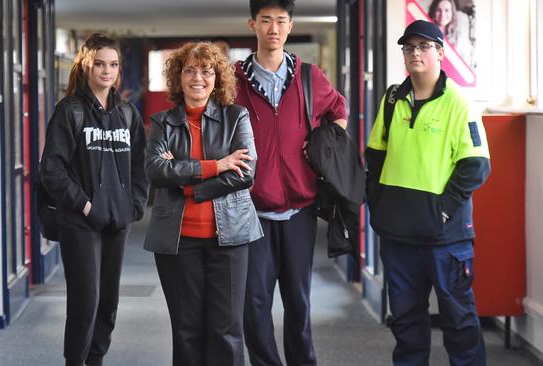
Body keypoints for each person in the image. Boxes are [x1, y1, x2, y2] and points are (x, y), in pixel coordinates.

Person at [365, 20, 490, 365]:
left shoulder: (459, 103)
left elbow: (476, 165)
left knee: (459, 321)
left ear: (440, 52)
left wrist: (444, 210)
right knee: (405, 323)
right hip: (398, 237)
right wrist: (380, 205)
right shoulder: (392, 99)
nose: (415, 53)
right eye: (409, 48)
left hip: (445, 239)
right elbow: (374, 158)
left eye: (424, 46)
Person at [234, 1, 348, 365]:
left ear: (290, 26)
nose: (273, 28)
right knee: (254, 303)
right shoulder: (233, 80)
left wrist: (321, 143)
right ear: (253, 24)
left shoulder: (310, 77)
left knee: (298, 301)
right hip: (252, 210)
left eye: (281, 21)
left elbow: (339, 113)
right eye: (265, 20)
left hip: (300, 208)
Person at [144, 41, 262, 366]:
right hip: (178, 241)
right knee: (186, 331)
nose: (198, 77)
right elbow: (156, 171)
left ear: (217, 77)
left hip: (231, 239)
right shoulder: (162, 123)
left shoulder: (236, 117)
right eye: (190, 70)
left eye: (206, 70)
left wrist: (188, 187)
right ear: (178, 77)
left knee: (227, 331)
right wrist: (217, 165)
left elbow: (246, 174)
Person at [40, 33, 148, 366]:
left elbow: (139, 166)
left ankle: (96, 360)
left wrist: (133, 207)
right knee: (86, 303)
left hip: (118, 222)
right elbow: (52, 170)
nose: (106, 71)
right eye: (100, 64)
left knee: (108, 305)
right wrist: (86, 205)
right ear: (86, 65)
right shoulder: (69, 111)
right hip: (80, 222)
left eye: (113, 65)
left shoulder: (127, 114)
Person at [428, 0, 472, 65]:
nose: (442, 14)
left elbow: (465, 60)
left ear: (452, 12)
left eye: (446, 10)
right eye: (438, 10)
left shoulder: (459, 35)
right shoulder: (427, 33)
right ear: (433, 12)